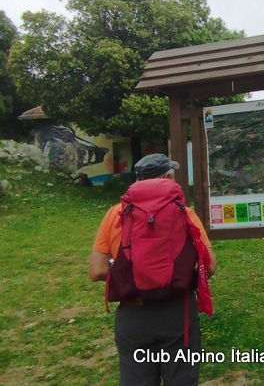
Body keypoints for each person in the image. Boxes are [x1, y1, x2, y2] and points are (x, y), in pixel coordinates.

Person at [89, 153, 217, 386]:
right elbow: (209, 266)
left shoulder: (115, 214)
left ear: (138, 179)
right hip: (177, 312)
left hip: (133, 312)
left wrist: (134, 275)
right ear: (167, 177)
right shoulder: (184, 213)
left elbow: (96, 271)